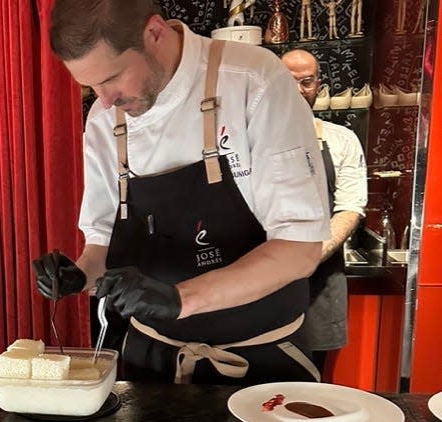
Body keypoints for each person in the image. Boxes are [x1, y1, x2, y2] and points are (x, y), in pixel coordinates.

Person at [32, 0, 329, 385]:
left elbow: (299, 249)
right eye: (90, 86)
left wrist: (180, 298)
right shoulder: (105, 119)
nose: (104, 100)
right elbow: (103, 243)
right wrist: (80, 274)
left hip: (261, 362)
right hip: (151, 361)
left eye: (112, 78)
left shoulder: (252, 80)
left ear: (154, 32)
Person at [281, 49, 367, 374]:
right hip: (258, 284)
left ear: (318, 85)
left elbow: (349, 207)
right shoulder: (248, 138)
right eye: (289, 82)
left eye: (306, 82)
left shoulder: (342, 139)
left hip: (318, 282)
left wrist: (305, 258)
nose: (299, 90)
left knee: (309, 385)